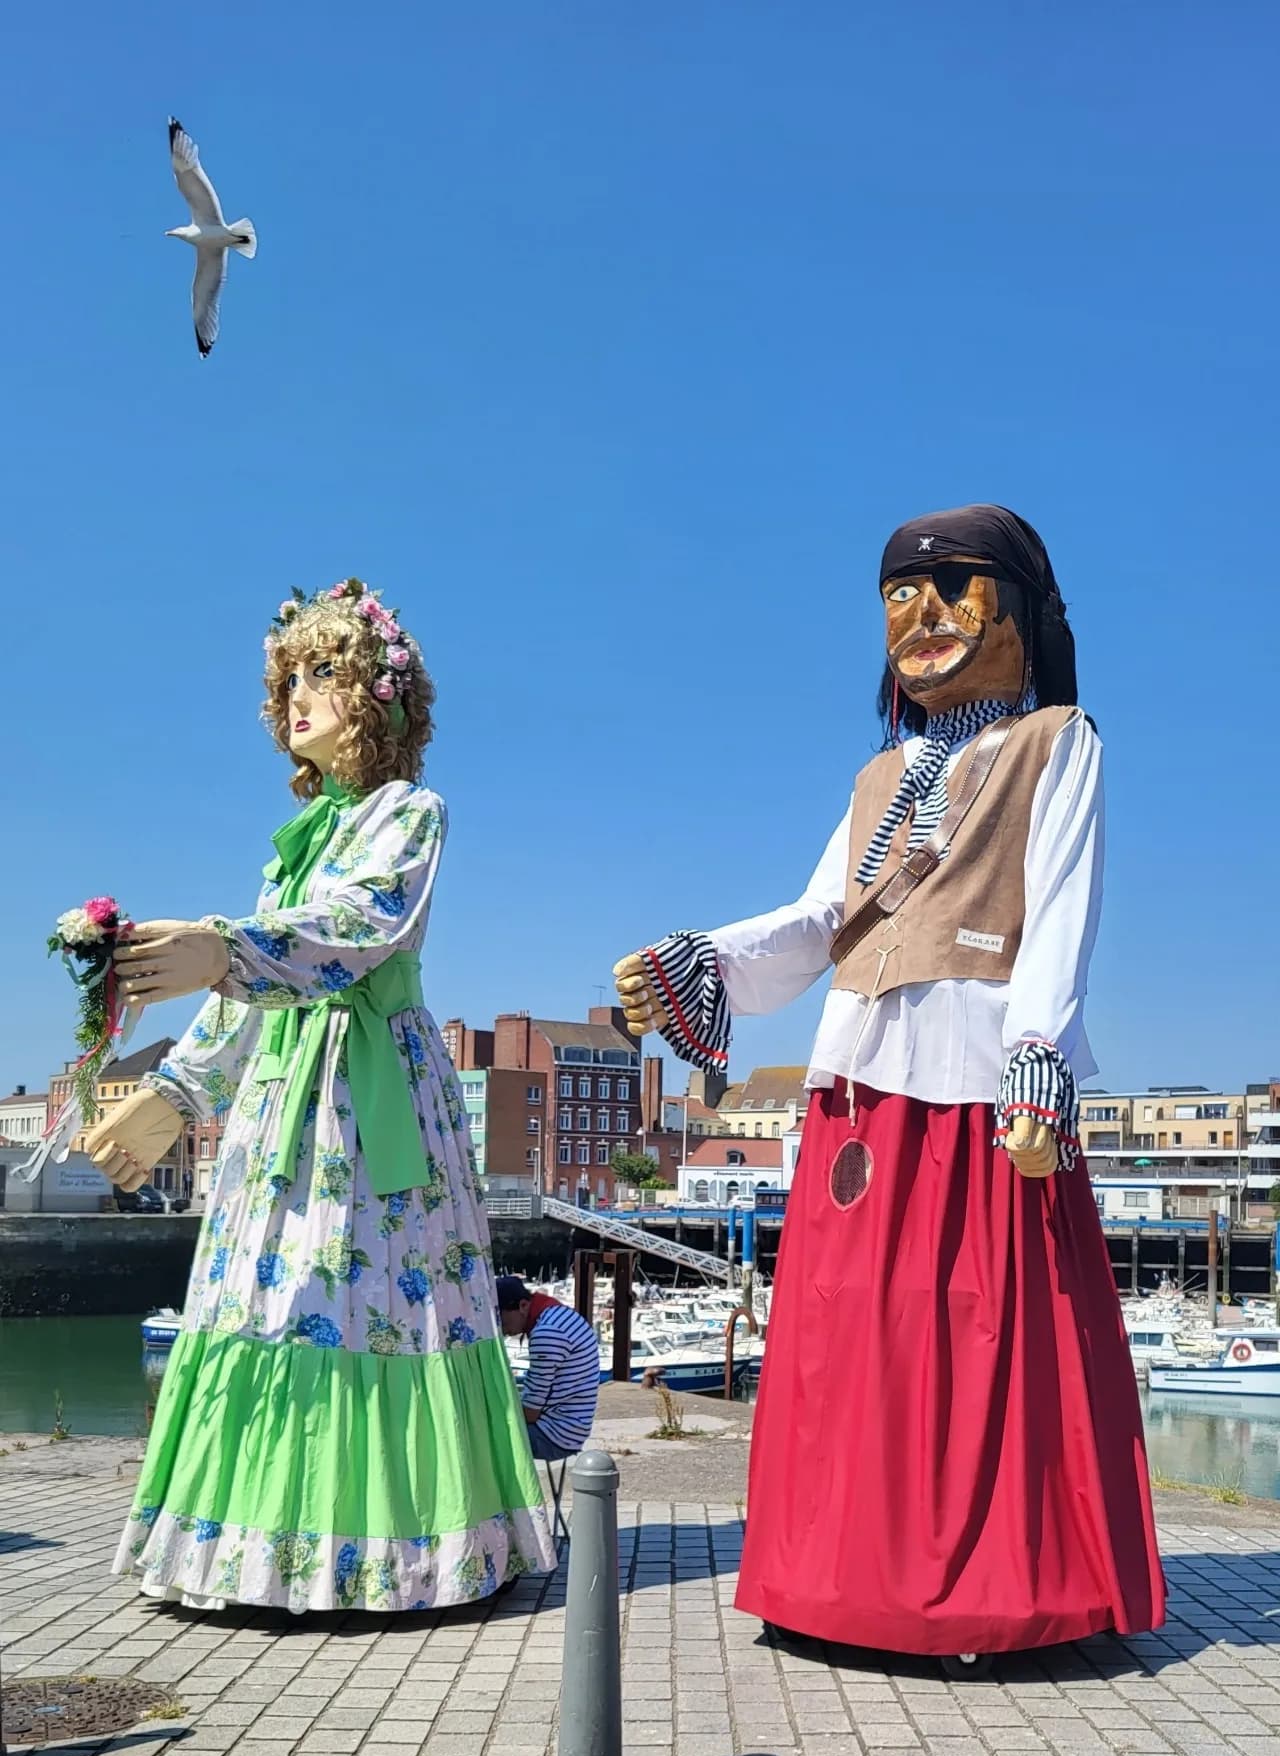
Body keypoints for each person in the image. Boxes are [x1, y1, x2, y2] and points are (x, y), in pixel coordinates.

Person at [614, 504, 1164, 1670]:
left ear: (1015, 609)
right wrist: (701, 961)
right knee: (846, 1343)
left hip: (976, 1090)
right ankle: (831, 1578)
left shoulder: (1055, 741)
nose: (919, 618)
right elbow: (824, 916)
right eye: (897, 598)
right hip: (857, 1080)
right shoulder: (878, 778)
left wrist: (1036, 1057)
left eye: (952, 588)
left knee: (971, 1336)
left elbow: (1060, 908)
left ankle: (986, 1589)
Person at [85, 578, 555, 1613]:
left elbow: (360, 927)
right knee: (274, 1294)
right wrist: (173, 1088)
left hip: (364, 1088)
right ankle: (255, 1549)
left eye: (323, 674)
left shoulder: (410, 815)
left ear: (377, 700)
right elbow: (241, 1003)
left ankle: (395, 1545)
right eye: (287, 678)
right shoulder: (289, 846)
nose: (297, 697)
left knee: (375, 1297)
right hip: (283, 1102)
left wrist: (225, 947)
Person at [496, 1277, 600, 1460]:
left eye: (503, 1322)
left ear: (522, 1305)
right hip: (573, 1428)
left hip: (554, 1435)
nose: (503, 1331)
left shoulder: (547, 1333)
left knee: (479, 1438)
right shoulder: (557, 1313)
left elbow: (530, 1412)